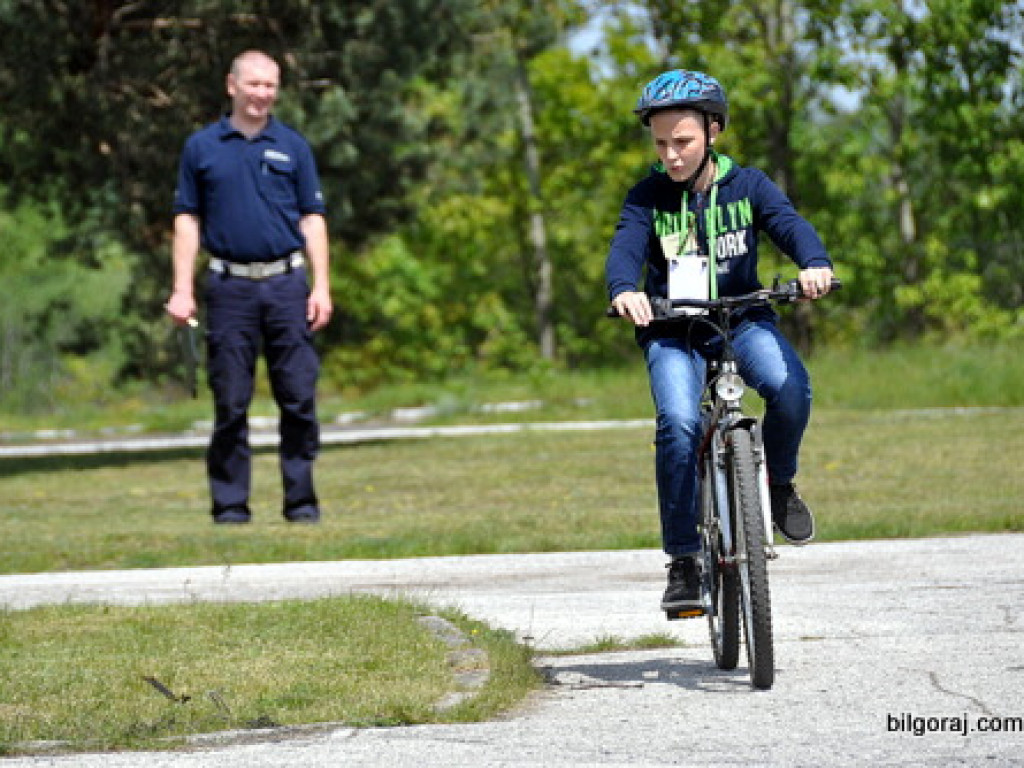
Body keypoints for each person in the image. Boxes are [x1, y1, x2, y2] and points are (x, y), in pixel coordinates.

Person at [605, 70, 835, 610]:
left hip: (742, 318)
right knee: (679, 423)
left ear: (713, 131)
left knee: (790, 388)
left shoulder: (749, 185)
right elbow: (625, 247)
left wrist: (815, 263)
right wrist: (623, 291)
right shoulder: (648, 196)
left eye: (681, 141)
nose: (671, 155)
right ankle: (684, 560)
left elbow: (786, 222)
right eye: (661, 144)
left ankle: (777, 485)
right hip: (671, 331)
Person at [165, 50, 333, 525]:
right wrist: (182, 289)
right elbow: (187, 219)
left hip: (287, 286)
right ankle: (230, 507)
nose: (263, 93)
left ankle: (301, 504)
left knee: (298, 398)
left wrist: (321, 287)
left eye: (270, 85)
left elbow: (313, 220)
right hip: (228, 289)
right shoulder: (201, 147)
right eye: (254, 84)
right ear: (232, 86)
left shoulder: (294, 147)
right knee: (231, 401)